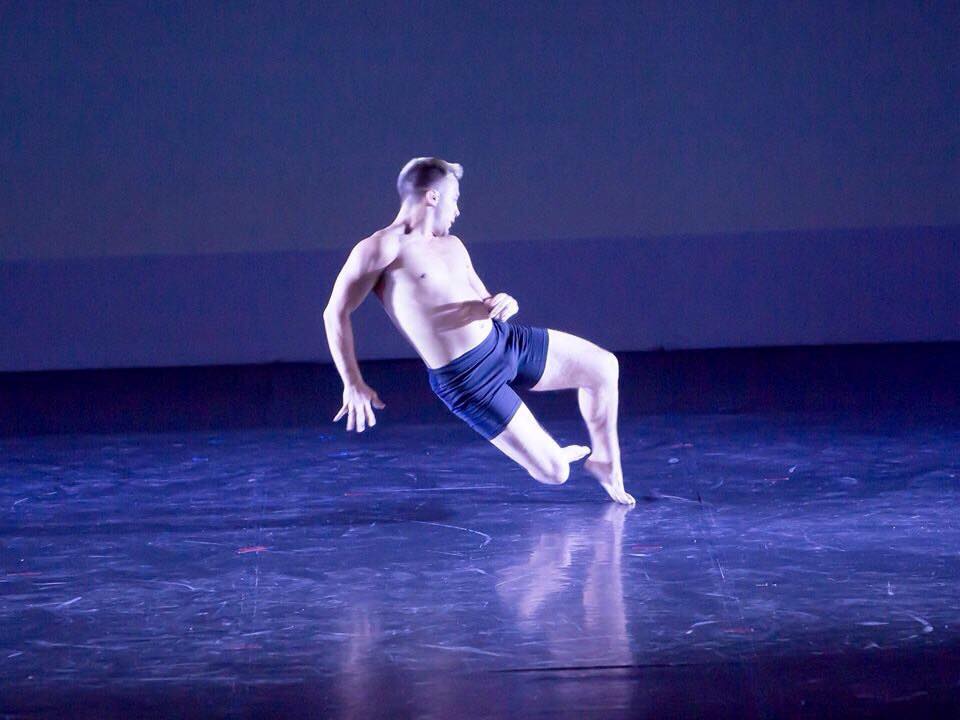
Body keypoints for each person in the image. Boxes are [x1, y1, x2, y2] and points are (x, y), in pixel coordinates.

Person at [323, 157, 635, 505]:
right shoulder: (382, 248)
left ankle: (605, 462)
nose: (457, 211)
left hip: (505, 343)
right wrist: (352, 382)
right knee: (556, 473)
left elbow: (486, 300)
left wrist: (503, 302)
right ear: (432, 197)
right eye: (454, 199)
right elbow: (335, 313)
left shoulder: (453, 245)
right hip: (468, 380)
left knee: (604, 366)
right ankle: (551, 456)